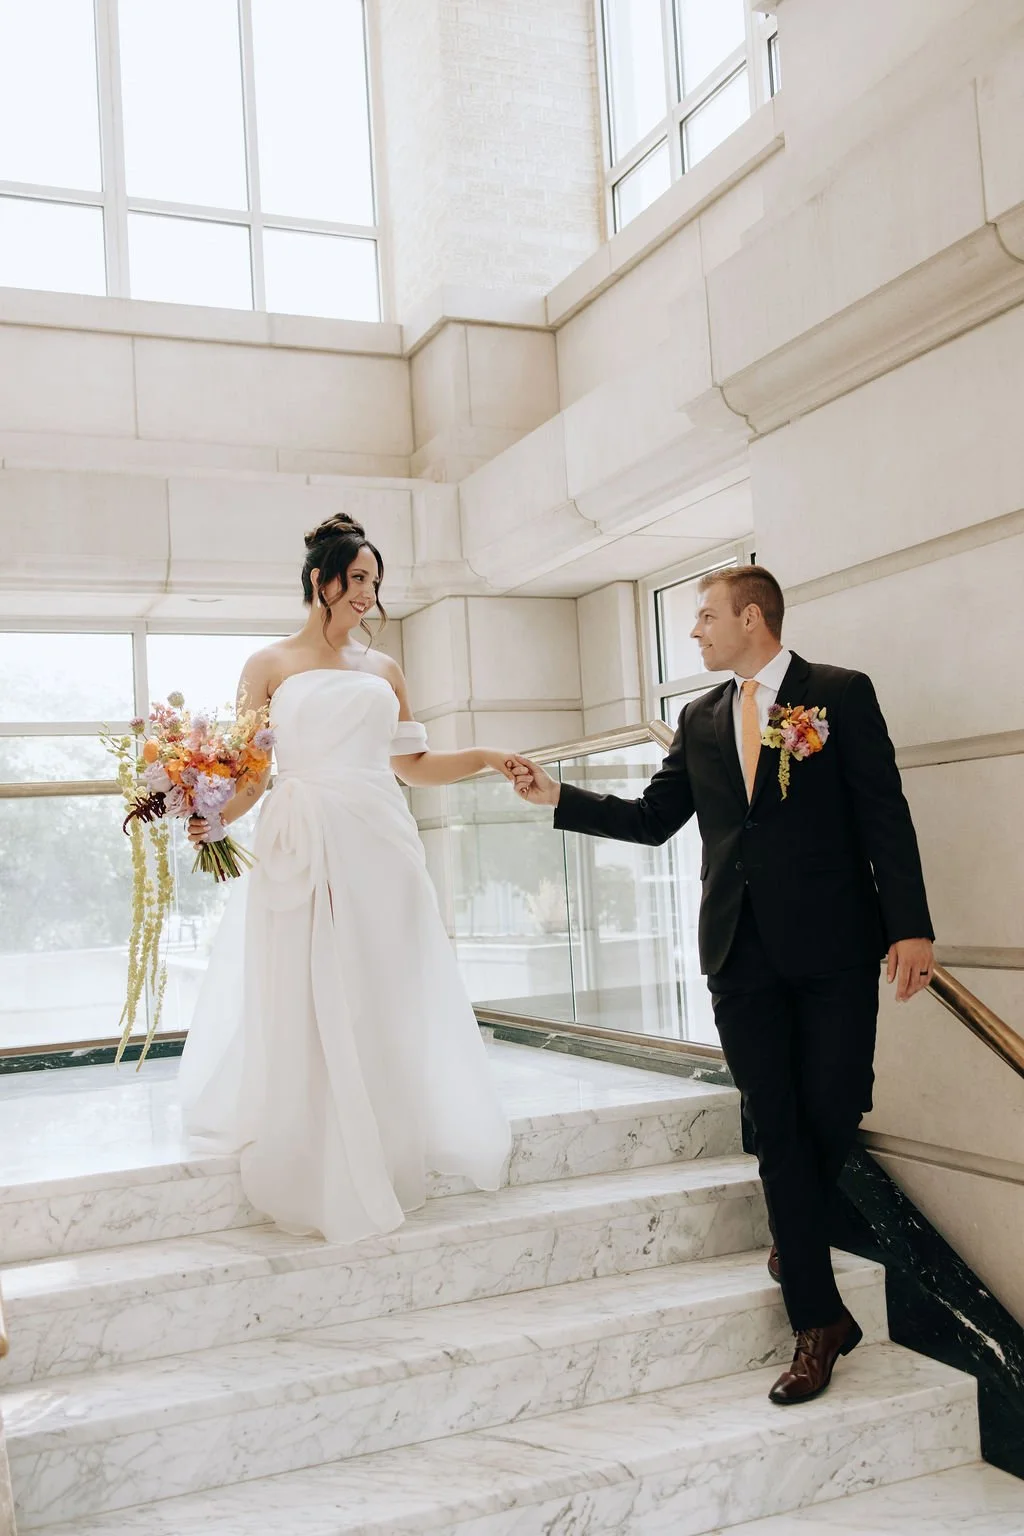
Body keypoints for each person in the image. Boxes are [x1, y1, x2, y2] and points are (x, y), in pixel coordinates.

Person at [513, 565, 934, 1405]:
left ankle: (798, 1228)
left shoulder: (838, 695)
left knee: (838, 1101)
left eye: (705, 616)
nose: (695, 631)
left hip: (836, 949)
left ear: (752, 617)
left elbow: (884, 811)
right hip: (738, 954)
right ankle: (817, 1322)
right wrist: (557, 794)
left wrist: (910, 925)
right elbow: (649, 820)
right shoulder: (698, 718)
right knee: (776, 1125)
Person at [178, 514, 523, 1245]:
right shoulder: (268, 664)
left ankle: (387, 1128)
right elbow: (255, 770)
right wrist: (215, 815)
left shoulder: (385, 671)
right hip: (302, 835)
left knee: (379, 980)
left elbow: (414, 766)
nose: (367, 593)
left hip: (378, 835)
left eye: (374, 581)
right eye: (356, 578)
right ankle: (314, 1136)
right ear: (319, 580)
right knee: (304, 981)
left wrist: (487, 754)